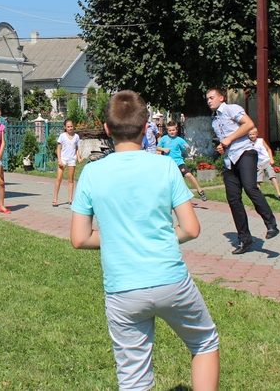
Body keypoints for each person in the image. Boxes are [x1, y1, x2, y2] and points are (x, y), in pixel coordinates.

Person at [71, 91, 219, 391]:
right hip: (171, 280)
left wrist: (120, 238)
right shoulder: (165, 167)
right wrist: (155, 236)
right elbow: (191, 229)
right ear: (146, 127)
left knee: (133, 376)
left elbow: (79, 238)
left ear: (107, 129)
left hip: (123, 289)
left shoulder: (91, 173)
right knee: (204, 342)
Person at [206, 88, 279, 254]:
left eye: (211, 97)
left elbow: (249, 124)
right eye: (207, 99)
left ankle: (271, 224)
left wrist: (230, 139)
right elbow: (226, 141)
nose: (209, 101)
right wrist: (222, 147)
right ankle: (244, 238)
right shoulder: (215, 121)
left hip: (245, 153)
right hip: (230, 160)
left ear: (221, 98)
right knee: (233, 199)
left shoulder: (231, 109)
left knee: (250, 187)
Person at [158, 121, 208, 202]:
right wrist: (163, 149)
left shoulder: (180, 140)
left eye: (173, 130)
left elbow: (188, 150)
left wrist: (187, 148)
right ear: (167, 131)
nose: (171, 132)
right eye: (170, 130)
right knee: (169, 181)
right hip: (168, 163)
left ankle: (200, 191)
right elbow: (157, 147)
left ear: (176, 130)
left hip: (179, 162)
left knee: (188, 175)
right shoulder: (164, 138)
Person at [249, 126, 280, 201]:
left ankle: (279, 193)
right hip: (258, 163)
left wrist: (271, 158)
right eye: (250, 134)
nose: (252, 136)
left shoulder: (261, 141)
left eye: (253, 134)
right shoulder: (249, 144)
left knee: (272, 176)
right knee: (258, 180)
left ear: (257, 134)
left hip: (266, 160)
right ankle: (259, 197)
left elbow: (268, 149)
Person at [54, 120, 80, 206]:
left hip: (72, 159)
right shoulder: (62, 136)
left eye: (71, 126)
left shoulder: (76, 136)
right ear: (65, 127)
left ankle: (70, 199)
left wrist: (79, 157)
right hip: (63, 159)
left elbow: (76, 148)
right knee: (59, 178)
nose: (70, 128)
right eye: (68, 127)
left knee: (70, 179)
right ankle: (55, 199)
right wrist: (59, 160)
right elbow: (58, 148)